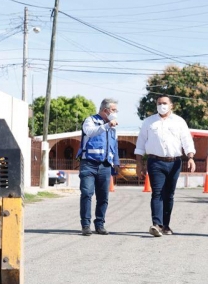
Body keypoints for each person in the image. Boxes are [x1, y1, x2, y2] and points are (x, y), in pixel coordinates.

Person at [134, 96, 196, 237]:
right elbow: (140, 143)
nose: (162, 105)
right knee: (157, 192)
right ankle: (156, 224)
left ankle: (166, 225)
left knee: (169, 195)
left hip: (174, 162)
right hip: (155, 162)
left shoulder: (179, 122)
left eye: (164, 103)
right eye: (159, 103)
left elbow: (187, 140)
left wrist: (190, 157)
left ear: (171, 105)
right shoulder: (149, 122)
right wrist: (139, 164)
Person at [78, 98, 120, 236]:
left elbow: (114, 146)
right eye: (114, 110)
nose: (116, 112)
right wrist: (107, 125)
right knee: (86, 194)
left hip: (105, 165)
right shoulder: (90, 120)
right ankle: (85, 225)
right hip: (88, 164)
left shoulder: (113, 127)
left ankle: (100, 224)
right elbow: (90, 132)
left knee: (103, 197)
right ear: (105, 110)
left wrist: (116, 162)